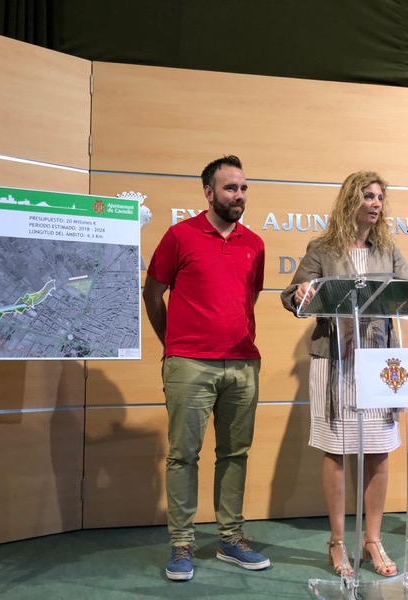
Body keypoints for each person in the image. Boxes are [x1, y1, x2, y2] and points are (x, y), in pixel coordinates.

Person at [143, 155, 270, 581]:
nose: (239, 195)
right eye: (230, 188)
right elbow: (152, 293)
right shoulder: (180, 236)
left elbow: (247, 299)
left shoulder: (255, 244)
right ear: (208, 192)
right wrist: (173, 345)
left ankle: (230, 539)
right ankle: (182, 544)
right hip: (190, 365)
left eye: (244, 188)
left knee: (235, 454)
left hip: (243, 364)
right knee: (184, 455)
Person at [280, 171, 408, 578]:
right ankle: (337, 542)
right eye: (368, 196)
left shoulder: (388, 249)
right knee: (336, 449)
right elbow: (292, 296)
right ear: (351, 200)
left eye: (379, 198)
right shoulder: (323, 248)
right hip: (335, 359)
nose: (376, 204)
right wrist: (301, 294)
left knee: (378, 450)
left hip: (378, 360)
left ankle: (373, 540)